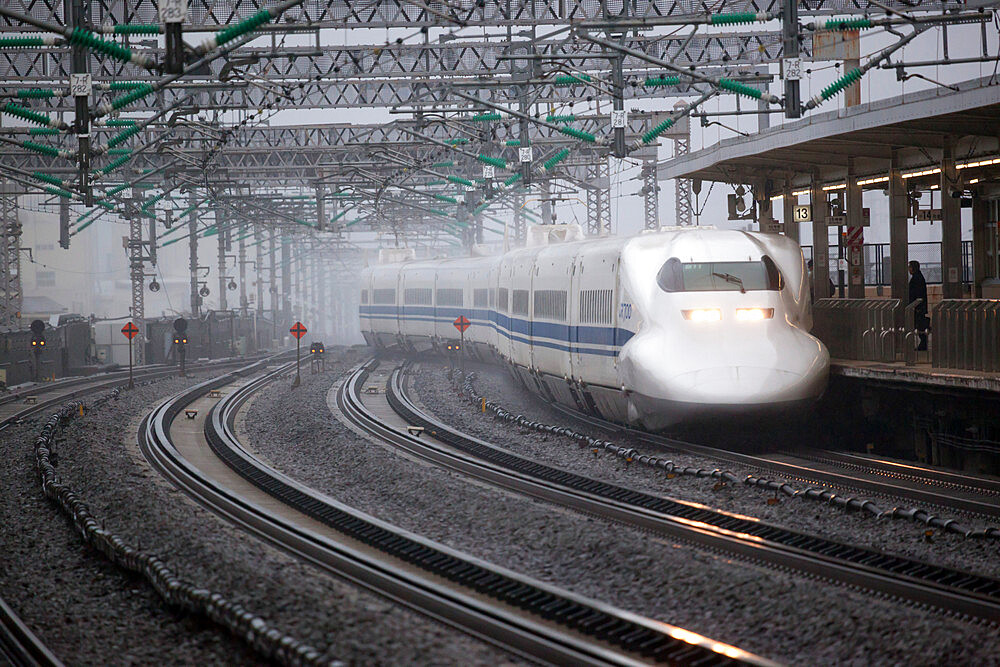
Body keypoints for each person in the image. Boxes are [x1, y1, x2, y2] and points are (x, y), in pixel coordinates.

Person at [908, 260, 929, 351]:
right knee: (919, 325)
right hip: (918, 306)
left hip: (918, 307)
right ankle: (923, 343)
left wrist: (917, 306)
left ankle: (923, 343)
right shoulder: (918, 277)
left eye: (910, 267)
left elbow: (917, 293)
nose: (909, 269)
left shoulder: (917, 278)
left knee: (919, 325)